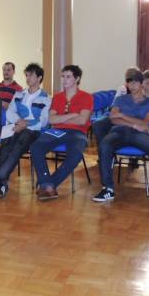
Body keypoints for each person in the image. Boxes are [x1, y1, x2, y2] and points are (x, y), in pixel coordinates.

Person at [94, 67, 149, 210]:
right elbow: (113, 118)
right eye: (129, 82)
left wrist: (123, 116)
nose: (132, 85)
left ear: (141, 83)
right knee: (104, 145)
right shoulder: (120, 99)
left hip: (139, 135)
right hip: (119, 132)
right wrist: (133, 124)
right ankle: (107, 189)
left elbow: (145, 124)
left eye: (135, 82)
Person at [0, 63, 51, 200]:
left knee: (18, 146)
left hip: (33, 131)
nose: (28, 78)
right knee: (6, 146)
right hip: (17, 127)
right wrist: (19, 122)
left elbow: (43, 121)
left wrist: (26, 123)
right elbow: (10, 113)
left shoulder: (46, 98)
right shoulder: (19, 94)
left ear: (39, 78)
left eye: (31, 75)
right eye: (26, 75)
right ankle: (1, 184)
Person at [30, 65, 93, 201]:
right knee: (36, 147)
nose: (64, 80)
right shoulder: (58, 97)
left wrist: (62, 118)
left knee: (75, 155)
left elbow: (82, 120)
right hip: (57, 130)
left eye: (68, 77)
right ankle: (47, 185)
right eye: (63, 76)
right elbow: (51, 119)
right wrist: (72, 115)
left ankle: (48, 184)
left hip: (78, 132)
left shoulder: (86, 97)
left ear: (77, 79)